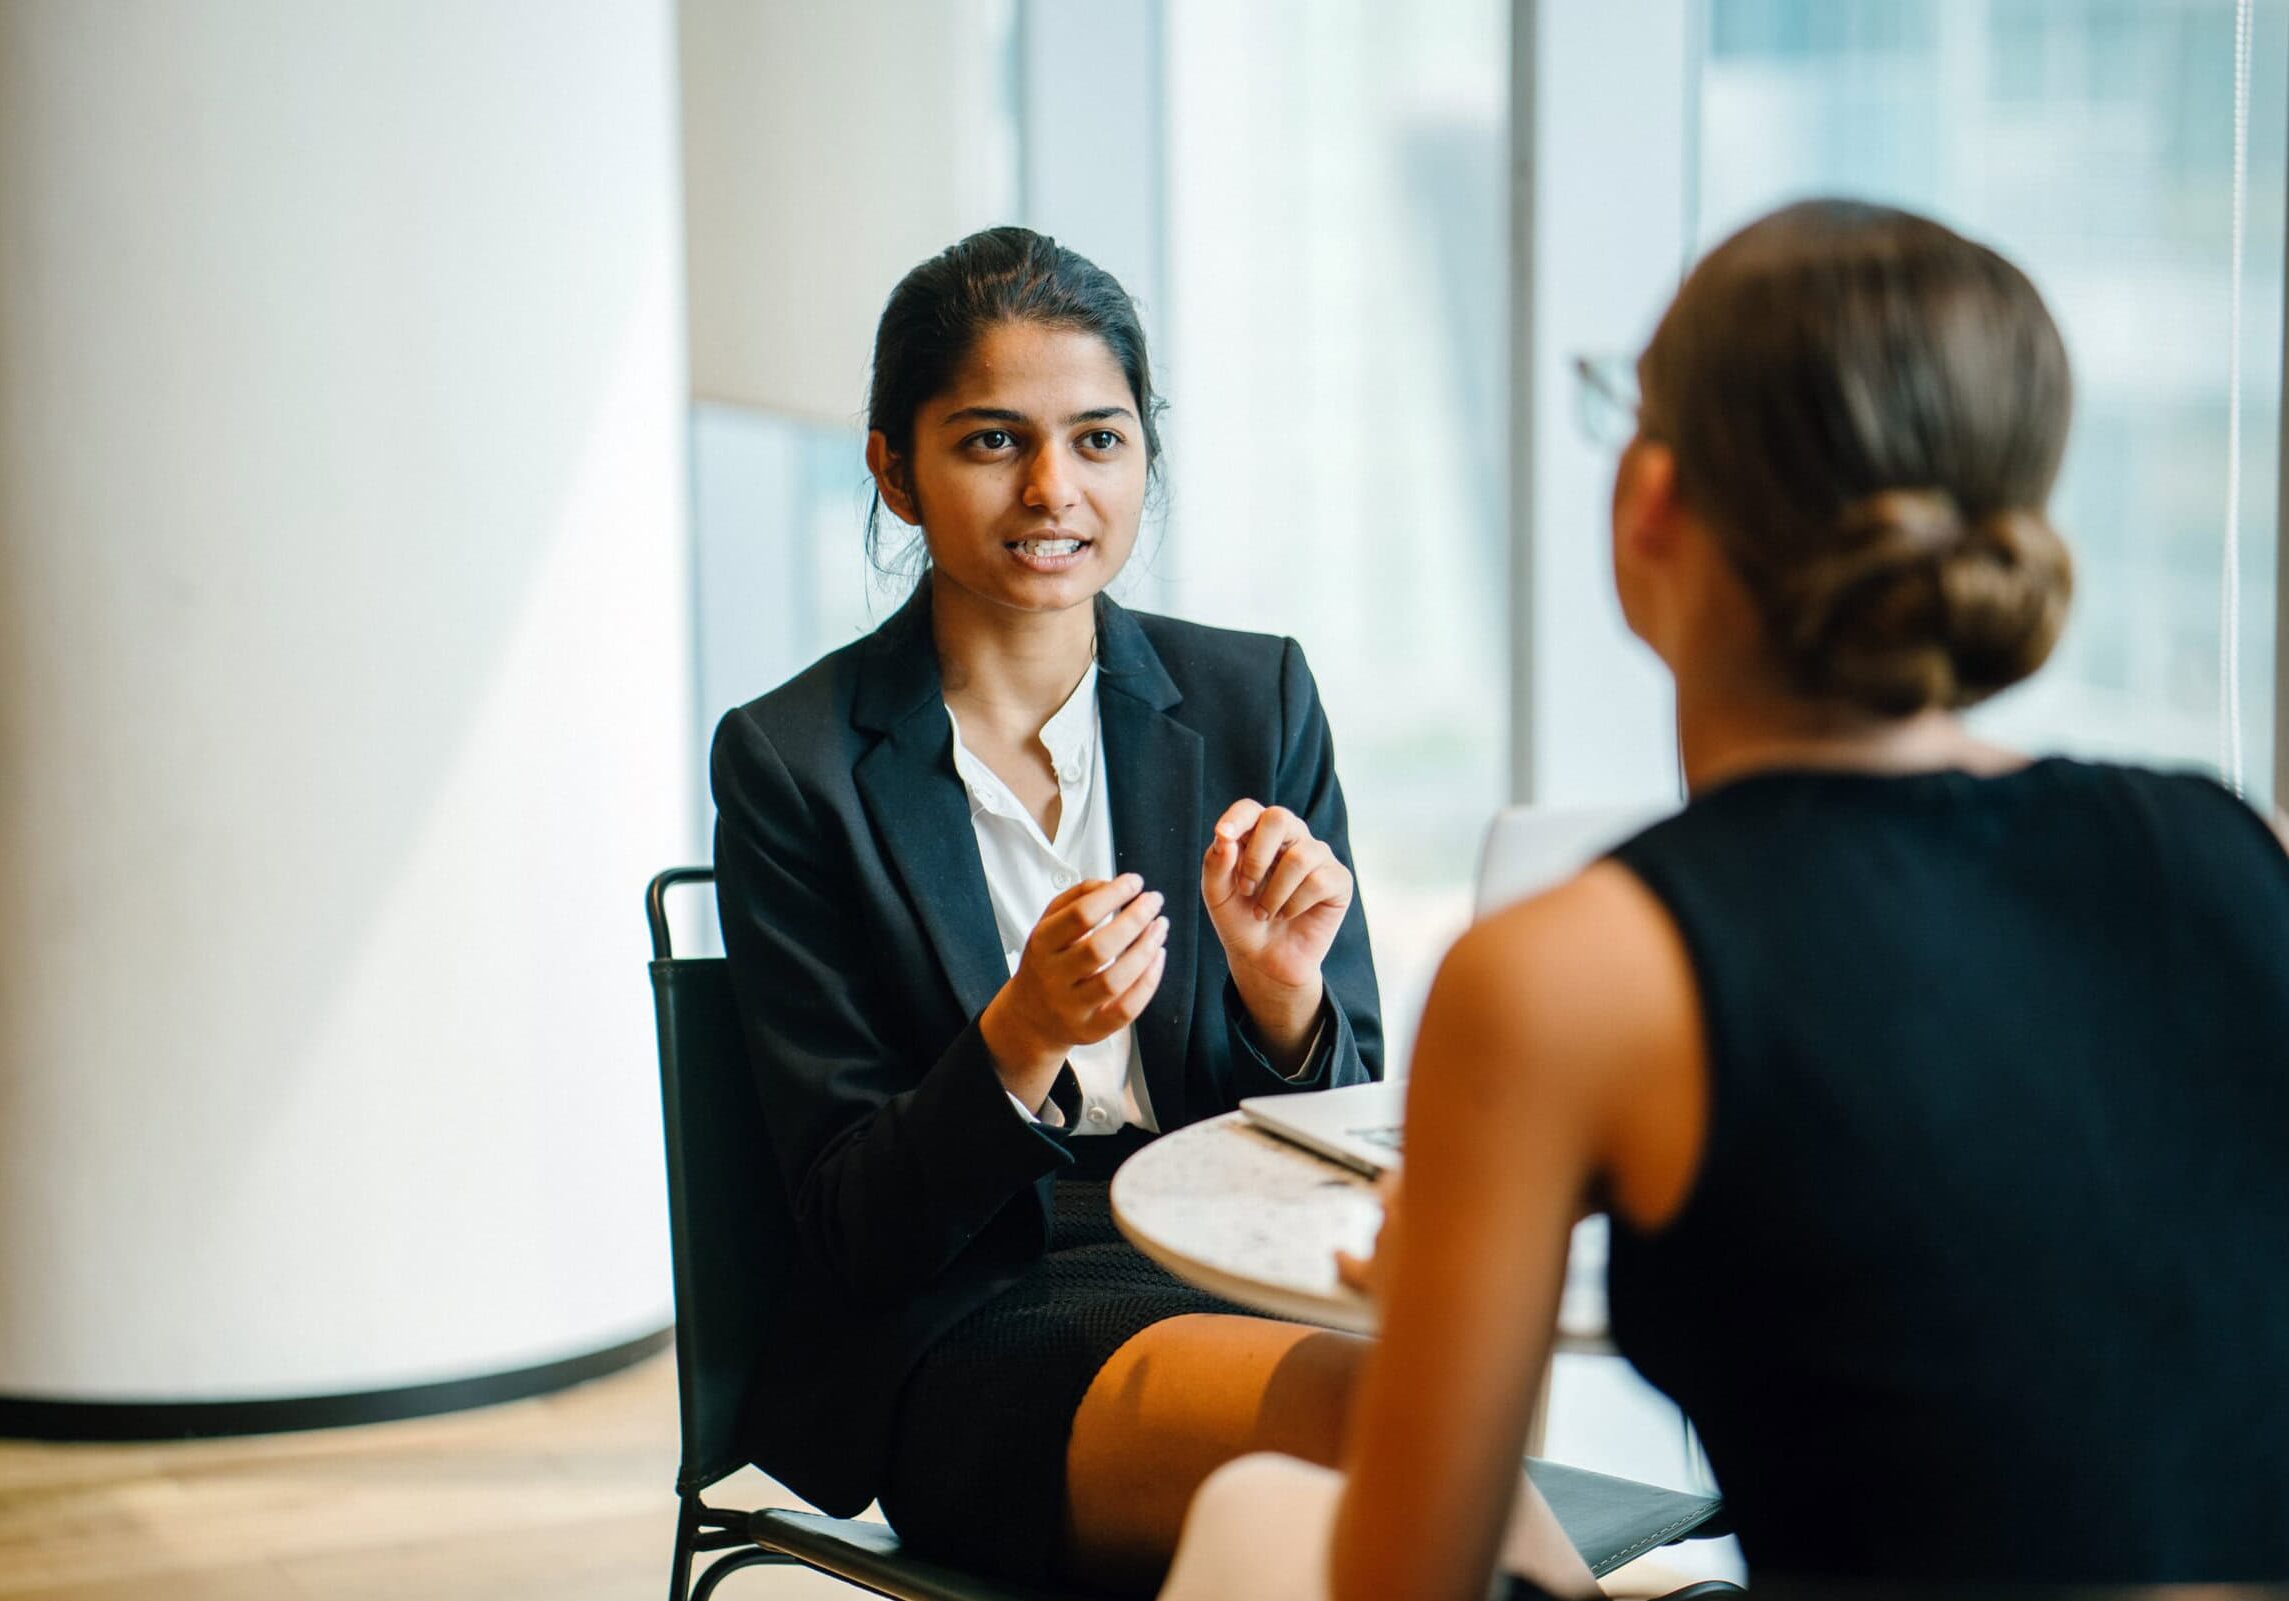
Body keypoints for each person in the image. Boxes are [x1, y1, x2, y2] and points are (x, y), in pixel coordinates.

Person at [1268, 198, 2289, 1598]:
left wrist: (1430, 1321)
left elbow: (1405, 1585)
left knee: (1254, 1521)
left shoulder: (1564, 976)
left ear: (1649, 501)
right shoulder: (2228, 848)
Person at [708, 225, 1393, 1595]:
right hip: (966, 1316)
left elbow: (1346, 1111)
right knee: (1374, 1429)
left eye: (1097, 439)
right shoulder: (792, 762)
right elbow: (848, 1225)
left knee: (1411, 1411)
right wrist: (1019, 1032)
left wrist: (1281, 998)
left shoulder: (1257, 699)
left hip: (1222, 1257)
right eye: (987, 442)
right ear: (892, 469)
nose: (1052, 489)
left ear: (1144, 455)